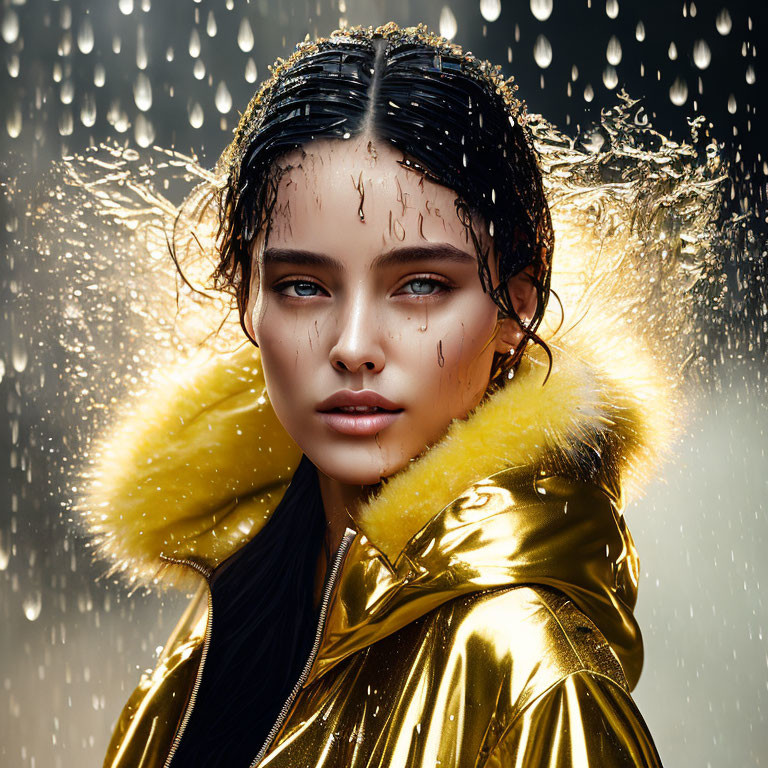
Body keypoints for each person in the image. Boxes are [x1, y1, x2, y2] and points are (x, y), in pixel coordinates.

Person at [89, 22, 665, 767]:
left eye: (420, 284)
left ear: (516, 305)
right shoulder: (229, 617)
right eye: (303, 286)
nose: (354, 345)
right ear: (246, 300)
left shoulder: (537, 679)